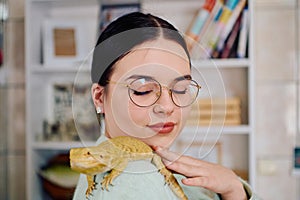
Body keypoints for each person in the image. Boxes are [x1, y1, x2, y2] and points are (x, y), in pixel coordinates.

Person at [73, 12, 259, 200]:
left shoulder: (143, 164)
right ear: (99, 97)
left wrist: (233, 189)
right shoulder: (133, 182)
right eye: (143, 90)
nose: (167, 106)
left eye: (180, 89)